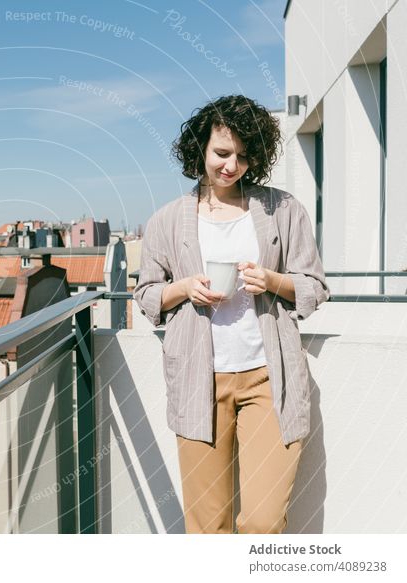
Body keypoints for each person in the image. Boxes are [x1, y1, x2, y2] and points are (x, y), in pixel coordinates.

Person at [134, 95, 329, 534]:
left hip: (269, 378)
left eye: (243, 156)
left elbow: (315, 287)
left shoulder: (282, 210)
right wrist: (184, 289)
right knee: (207, 527)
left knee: (261, 521)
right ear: (200, 148)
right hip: (198, 382)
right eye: (222, 153)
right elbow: (145, 295)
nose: (231, 166)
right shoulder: (167, 221)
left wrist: (273, 281)